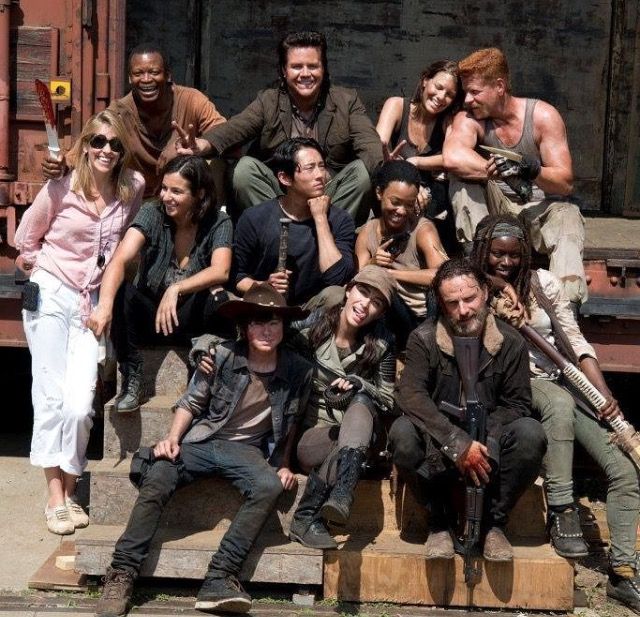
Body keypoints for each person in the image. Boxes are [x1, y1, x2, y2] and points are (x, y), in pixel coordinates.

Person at [94, 284, 313, 617]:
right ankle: (122, 573)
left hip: (246, 450)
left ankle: (220, 576)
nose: (266, 331)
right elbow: (191, 402)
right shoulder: (222, 355)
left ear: (284, 328)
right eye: (257, 322)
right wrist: (171, 439)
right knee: (160, 473)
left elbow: (294, 419)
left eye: (274, 323)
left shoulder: (298, 369)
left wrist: (284, 462)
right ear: (245, 327)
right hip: (204, 439)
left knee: (269, 485)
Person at [471, 214, 640, 613]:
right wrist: (493, 290)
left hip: (563, 379)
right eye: (497, 254)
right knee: (558, 404)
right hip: (513, 387)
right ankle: (562, 509)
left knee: (624, 470)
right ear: (483, 252)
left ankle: (624, 573)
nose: (506, 263)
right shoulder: (472, 288)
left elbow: (574, 340)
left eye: (514, 255)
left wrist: (603, 393)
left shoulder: (543, 283)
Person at [15, 110, 145, 535]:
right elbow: (25, 240)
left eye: (116, 144)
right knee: (50, 397)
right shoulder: (60, 188)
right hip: (52, 294)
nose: (107, 150)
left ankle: (71, 487)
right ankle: (58, 498)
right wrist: (38, 268)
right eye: (99, 142)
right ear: (86, 145)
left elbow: (124, 246)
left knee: (80, 404)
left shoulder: (133, 189)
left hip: (92, 302)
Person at [388, 258, 546, 561]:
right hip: (440, 444)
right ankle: (438, 525)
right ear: (441, 304)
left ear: (485, 292)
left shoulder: (510, 342)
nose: (463, 310)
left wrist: (485, 439)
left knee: (530, 434)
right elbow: (410, 395)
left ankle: (493, 526)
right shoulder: (424, 338)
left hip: (489, 444)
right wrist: (456, 443)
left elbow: (518, 404)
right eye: (453, 302)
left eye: (470, 298)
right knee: (402, 434)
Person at [175, 31, 383, 224]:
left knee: (361, 174)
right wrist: (203, 144)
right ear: (284, 70)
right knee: (243, 169)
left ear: (324, 68)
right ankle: (281, 236)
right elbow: (236, 128)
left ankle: (329, 236)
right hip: (281, 200)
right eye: (296, 67)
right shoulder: (269, 101)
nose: (305, 74)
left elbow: (368, 143)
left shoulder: (346, 100)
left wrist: (390, 174)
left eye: (313, 66)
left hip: (330, 199)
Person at [87, 154, 232, 413]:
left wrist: (177, 289)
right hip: (152, 317)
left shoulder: (218, 221)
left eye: (176, 191)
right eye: (164, 188)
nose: (166, 196)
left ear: (199, 194)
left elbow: (221, 270)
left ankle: (204, 377)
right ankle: (132, 377)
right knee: (123, 292)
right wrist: (105, 305)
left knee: (218, 298)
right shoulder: (152, 212)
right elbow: (120, 259)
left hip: (190, 319)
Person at [442, 47, 587, 305]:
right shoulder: (471, 118)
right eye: (466, 92)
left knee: (568, 215)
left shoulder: (542, 116)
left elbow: (565, 182)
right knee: (462, 183)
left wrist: (531, 171)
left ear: (499, 86)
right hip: (496, 212)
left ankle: (565, 306)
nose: (467, 100)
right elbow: (452, 156)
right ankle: (478, 271)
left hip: (536, 210)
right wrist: (504, 174)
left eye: (474, 92)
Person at [287, 266, 397, 549]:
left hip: (358, 433)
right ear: (349, 290)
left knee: (362, 402)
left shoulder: (382, 343)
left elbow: (388, 398)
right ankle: (325, 503)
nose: (365, 305)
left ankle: (317, 509)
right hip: (315, 434)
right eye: (363, 292)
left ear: (381, 313)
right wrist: (208, 345)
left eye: (376, 303)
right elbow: (262, 335)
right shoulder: (310, 328)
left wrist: (361, 383)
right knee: (346, 444)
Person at [43, 44, 226, 201]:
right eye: (138, 73)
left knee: (216, 164)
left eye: (154, 72)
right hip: (140, 200)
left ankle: (210, 227)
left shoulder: (192, 100)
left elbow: (225, 135)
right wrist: (61, 166)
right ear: (130, 78)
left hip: (184, 198)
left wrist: (192, 148)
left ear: (168, 75)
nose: (146, 80)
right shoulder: (120, 112)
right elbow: (81, 152)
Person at [232, 137, 355, 306]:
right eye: (310, 168)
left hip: (311, 312)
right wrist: (265, 286)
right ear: (285, 178)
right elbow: (237, 276)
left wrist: (320, 219)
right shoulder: (254, 217)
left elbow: (337, 278)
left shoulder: (340, 220)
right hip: (266, 307)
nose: (320, 175)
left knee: (336, 295)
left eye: (321, 166)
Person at [355, 160, 448, 349]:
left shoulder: (422, 229)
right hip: (392, 316)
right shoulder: (367, 232)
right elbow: (357, 283)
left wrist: (391, 274)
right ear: (380, 193)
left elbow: (443, 274)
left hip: (426, 316)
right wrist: (373, 264)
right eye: (395, 203)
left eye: (409, 205)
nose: (401, 211)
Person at [376, 60, 462, 253]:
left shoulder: (449, 121)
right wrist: (411, 178)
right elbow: (377, 148)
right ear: (425, 81)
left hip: (431, 195)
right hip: (396, 182)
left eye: (449, 95)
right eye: (438, 87)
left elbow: (452, 158)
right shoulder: (397, 105)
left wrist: (414, 162)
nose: (441, 97)